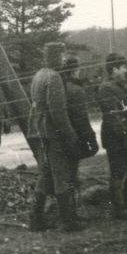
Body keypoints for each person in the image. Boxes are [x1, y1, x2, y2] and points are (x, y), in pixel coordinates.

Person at [27, 42, 82, 232]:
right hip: (52, 133)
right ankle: (68, 221)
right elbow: (58, 113)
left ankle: (36, 219)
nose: (63, 59)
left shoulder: (39, 75)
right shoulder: (54, 77)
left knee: (46, 174)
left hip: (39, 132)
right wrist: (70, 136)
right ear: (56, 57)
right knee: (61, 175)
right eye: (61, 56)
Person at [97, 52, 127, 219]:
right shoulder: (105, 88)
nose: (126, 71)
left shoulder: (121, 85)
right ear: (114, 69)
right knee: (118, 173)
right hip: (116, 139)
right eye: (123, 67)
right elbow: (113, 117)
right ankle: (120, 210)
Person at [61, 54, 99, 200]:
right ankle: (73, 210)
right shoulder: (76, 90)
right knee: (71, 173)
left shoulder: (60, 86)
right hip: (75, 136)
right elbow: (81, 118)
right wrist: (91, 138)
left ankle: (71, 208)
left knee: (66, 173)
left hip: (63, 134)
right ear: (75, 70)